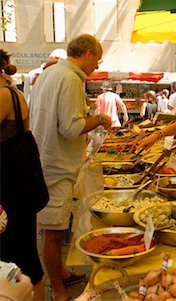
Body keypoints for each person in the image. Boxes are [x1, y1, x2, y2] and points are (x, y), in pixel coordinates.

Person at [29, 34, 112, 301]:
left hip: (46, 160)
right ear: (86, 53)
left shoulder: (50, 73)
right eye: (97, 59)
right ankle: (59, 290)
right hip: (57, 167)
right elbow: (71, 127)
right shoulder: (72, 77)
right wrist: (100, 118)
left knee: (53, 229)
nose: (97, 66)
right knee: (53, 233)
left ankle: (61, 274)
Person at [0, 50, 45, 301]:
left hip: (11, 191)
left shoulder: (5, 95)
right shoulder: (11, 93)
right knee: (22, 253)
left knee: (19, 255)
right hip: (17, 187)